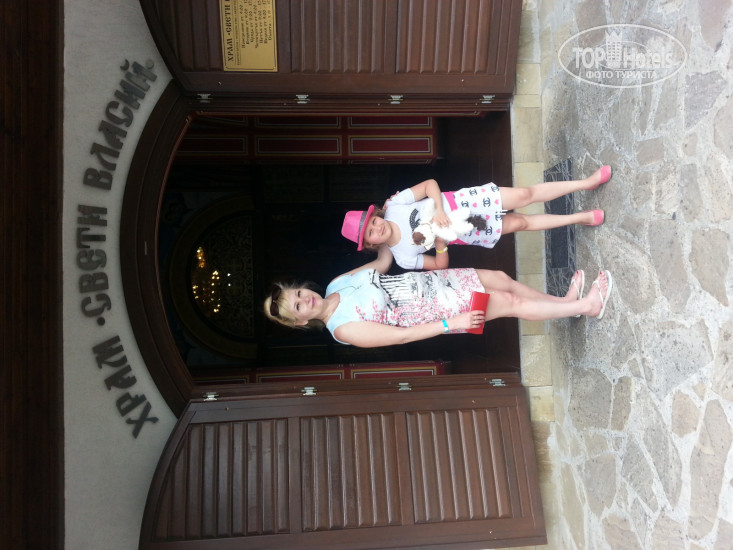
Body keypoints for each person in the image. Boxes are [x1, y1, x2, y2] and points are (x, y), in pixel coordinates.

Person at [264, 261, 613, 348]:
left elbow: (382, 263)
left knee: (502, 279)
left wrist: (386, 219)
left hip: (434, 282)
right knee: (508, 302)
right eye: (299, 307)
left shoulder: (335, 283)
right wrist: (452, 324)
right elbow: (401, 336)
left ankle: (564, 301)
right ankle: (585, 307)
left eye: (298, 294)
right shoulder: (342, 329)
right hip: (442, 311)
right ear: (301, 321)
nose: (305, 299)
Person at [341, 166, 612, 270]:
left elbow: (429, 184)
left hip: (465, 201)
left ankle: (585, 183)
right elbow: (439, 265)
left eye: (373, 221)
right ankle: (580, 218)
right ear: (371, 244)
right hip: (467, 231)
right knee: (521, 223)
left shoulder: (394, 205)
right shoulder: (402, 257)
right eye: (371, 233)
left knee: (525, 194)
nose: (377, 227)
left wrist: (438, 209)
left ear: (376, 215)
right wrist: (440, 244)